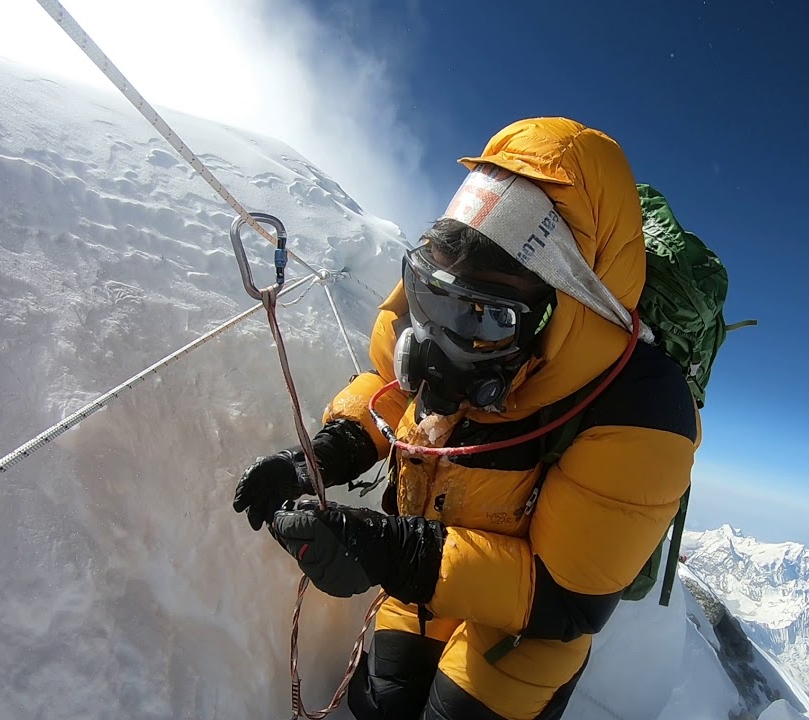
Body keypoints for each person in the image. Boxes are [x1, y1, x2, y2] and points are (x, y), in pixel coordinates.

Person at [233, 117, 699, 719]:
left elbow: (564, 598)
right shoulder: (440, 308)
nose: (434, 340)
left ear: (560, 313)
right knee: (380, 707)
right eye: (430, 296)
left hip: (526, 627)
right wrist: (319, 459)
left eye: (484, 319)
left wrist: (395, 552)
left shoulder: (641, 408)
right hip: (429, 577)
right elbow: (392, 390)